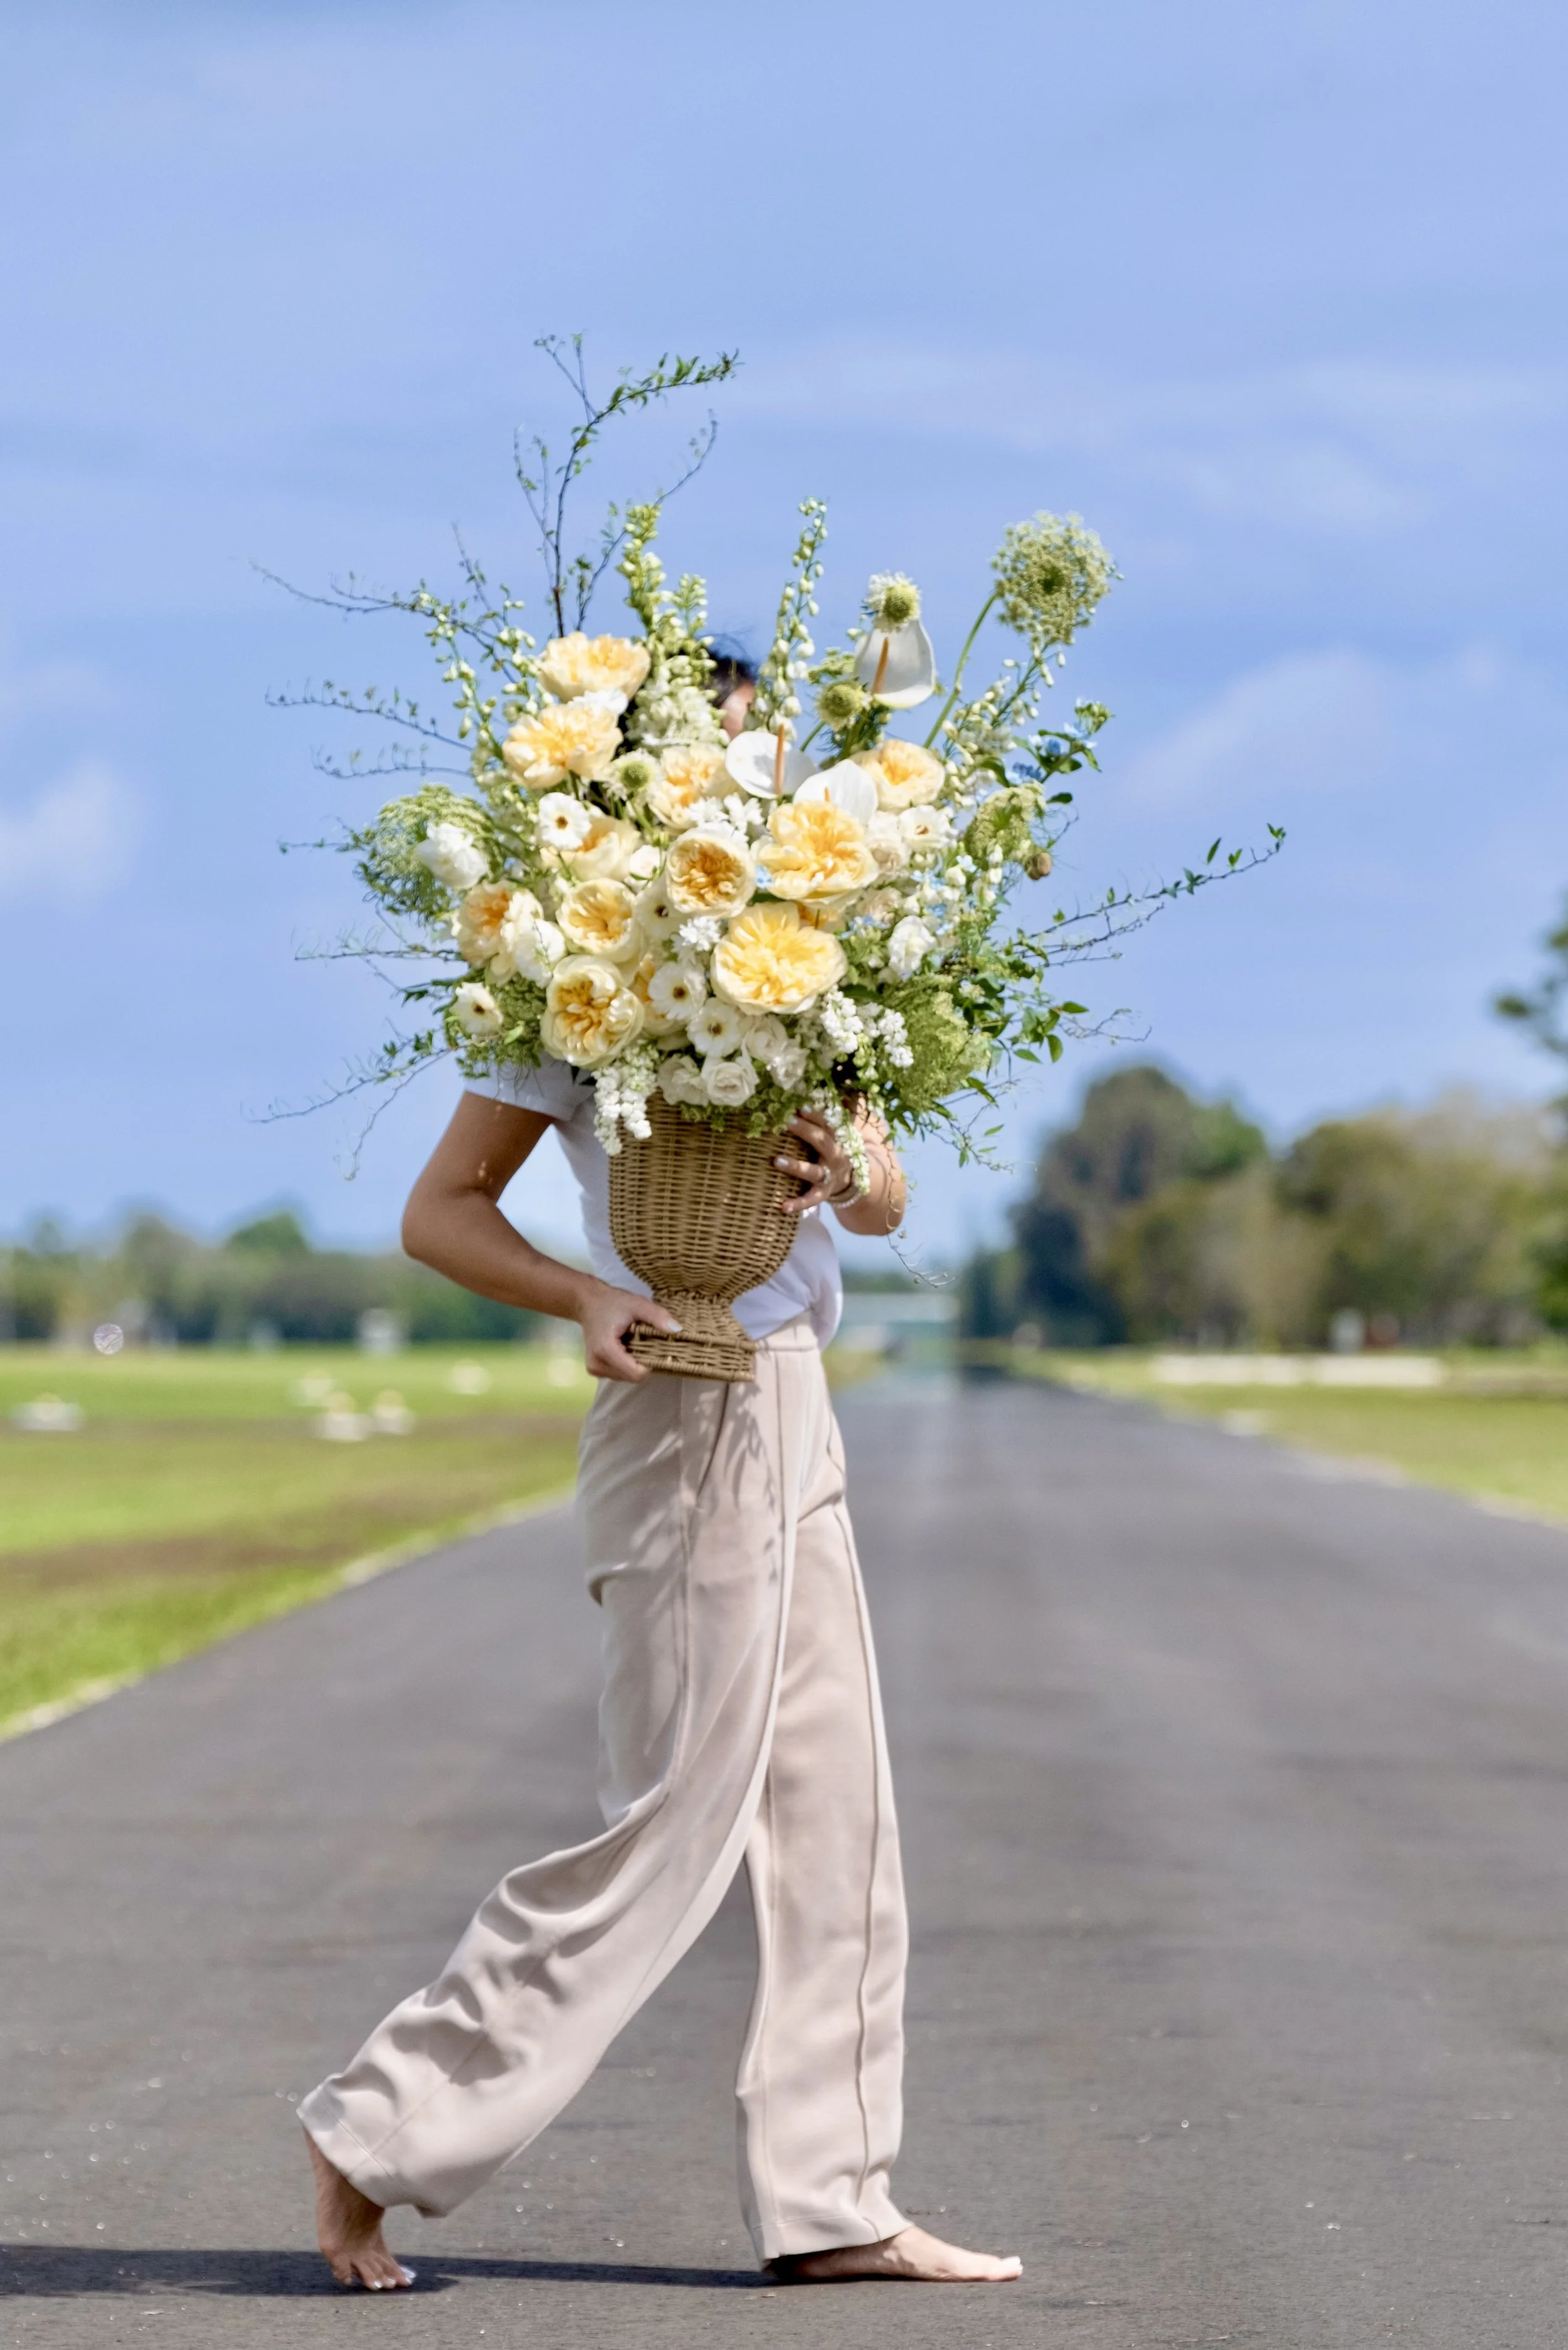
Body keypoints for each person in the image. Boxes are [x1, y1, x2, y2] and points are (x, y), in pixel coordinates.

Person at [300, 659, 1022, 2292]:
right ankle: (380, 2124)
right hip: (682, 1407)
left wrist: (859, 1169)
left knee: (838, 1815)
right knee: (671, 1824)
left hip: (794, 1404)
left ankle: (835, 2200)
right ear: (652, 785)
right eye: (732, 754)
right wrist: (584, 1293)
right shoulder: (585, 983)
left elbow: (884, 1202)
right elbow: (443, 1211)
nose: (764, 782)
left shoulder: (803, 969)